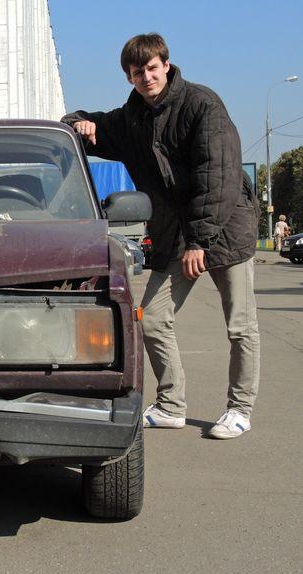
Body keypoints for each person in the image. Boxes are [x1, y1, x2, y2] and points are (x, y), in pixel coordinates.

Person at [62, 33, 260, 439]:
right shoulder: (132, 118)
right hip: (177, 236)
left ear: (166, 65)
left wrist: (200, 242)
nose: (147, 77)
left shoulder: (202, 105)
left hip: (224, 229)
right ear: (130, 78)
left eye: (152, 68)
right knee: (152, 317)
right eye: (138, 72)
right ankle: (171, 404)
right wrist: (76, 123)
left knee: (240, 326)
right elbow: (89, 122)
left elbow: (217, 177)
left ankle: (240, 409)